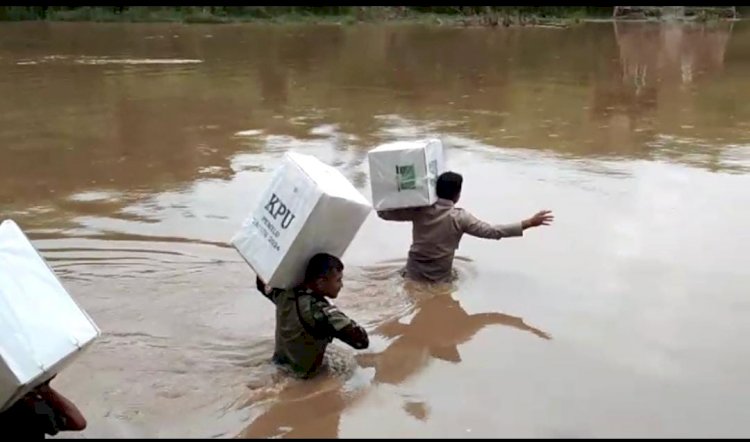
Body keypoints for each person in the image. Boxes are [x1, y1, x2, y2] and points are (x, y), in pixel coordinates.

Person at [377, 171, 554, 283]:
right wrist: (529, 223)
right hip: (439, 274)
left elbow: (383, 214)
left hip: (413, 268)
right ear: (457, 194)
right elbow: (493, 232)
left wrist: (392, 193)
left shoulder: (420, 210)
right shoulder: (461, 218)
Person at [255, 253, 369, 379]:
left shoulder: (285, 295)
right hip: (304, 379)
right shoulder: (321, 313)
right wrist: (334, 310)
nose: (341, 285)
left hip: (277, 366)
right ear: (320, 282)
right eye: (338, 280)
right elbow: (361, 342)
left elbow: (262, 286)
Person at [0, 376, 87, 439]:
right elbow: (78, 423)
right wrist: (45, 390)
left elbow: (79, 423)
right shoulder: (30, 404)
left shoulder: (30, 405)